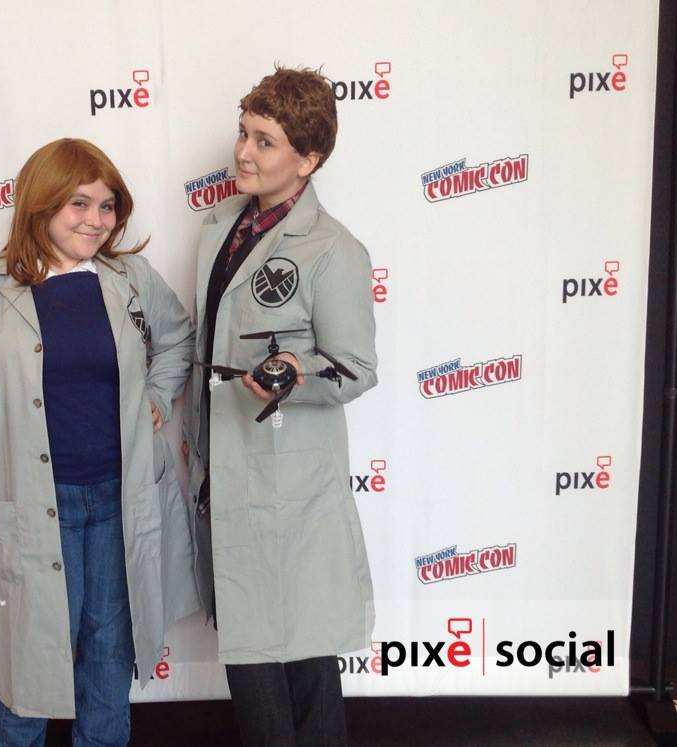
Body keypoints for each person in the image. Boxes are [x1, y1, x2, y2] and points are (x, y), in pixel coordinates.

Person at [0, 138, 198, 747]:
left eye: (107, 206)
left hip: (119, 498)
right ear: (41, 204)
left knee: (109, 651)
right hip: (36, 504)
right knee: (29, 660)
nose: (96, 220)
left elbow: (178, 340)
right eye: (79, 204)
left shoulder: (130, 278)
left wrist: (157, 395)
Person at [184, 66, 378, 746]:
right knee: (260, 657)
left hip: (289, 488)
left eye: (264, 142)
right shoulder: (219, 228)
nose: (243, 152)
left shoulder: (333, 249)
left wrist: (298, 371)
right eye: (244, 133)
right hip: (226, 470)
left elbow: (355, 368)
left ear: (308, 159)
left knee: (297, 658)